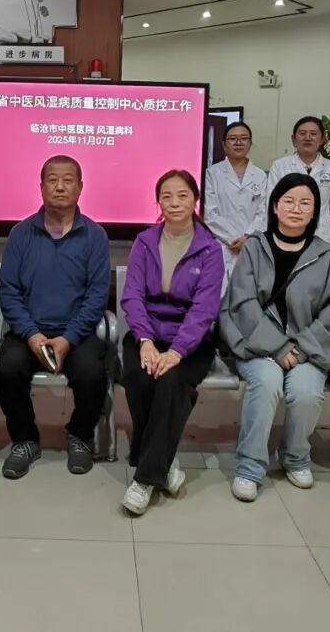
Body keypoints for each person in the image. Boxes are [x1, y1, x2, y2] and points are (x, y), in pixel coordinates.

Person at [220, 173, 330, 500]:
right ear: (275, 206)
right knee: (267, 383)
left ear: (315, 212)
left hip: (308, 348)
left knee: (306, 392)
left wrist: (301, 348)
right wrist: (278, 347)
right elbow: (242, 303)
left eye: (305, 203)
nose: (296, 208)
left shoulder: (326, 255)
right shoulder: (255, 248)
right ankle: (250, 467)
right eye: (289, 201)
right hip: (256, 345)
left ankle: (295, 456)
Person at [0, 155, 110, 479]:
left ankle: (80, 435)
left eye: (68, 180)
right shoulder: (21, 233)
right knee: (6, 371)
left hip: (76, 334)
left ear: (80, 187)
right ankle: (25, 439)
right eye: (52, 180)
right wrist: (32, 335)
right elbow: (9, 292)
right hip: (29, 333)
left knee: (93, 374)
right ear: (41, 186)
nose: (59, 186)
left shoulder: (95, 236)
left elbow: (97, 296)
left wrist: (68, 339)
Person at [119, 170, 224, 515]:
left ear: (195, 200)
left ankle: (145, 477)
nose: (175, 203)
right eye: (167, 196)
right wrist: (146, 341)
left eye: (182, 195)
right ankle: (165, 463)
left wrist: (178, 351)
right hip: (147, 334)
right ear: (158, 202)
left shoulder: (209, 249)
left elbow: (204, 309)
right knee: (137, 377)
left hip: (192, 342)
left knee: (171, 383)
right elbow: (132, 295)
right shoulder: (144, 242)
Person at [204, 121, 269, 275]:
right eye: (233, 138)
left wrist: (248, 237)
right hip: (221, 244)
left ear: (250, 143)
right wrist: (233, 238)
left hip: (252, 244)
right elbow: (209, 213)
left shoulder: (260, 175)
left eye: (244, 138)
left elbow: (264, 212)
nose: (238, 142)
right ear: (224, 144)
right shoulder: (212, 173)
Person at [267, 116, 330, 243]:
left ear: (323, 139)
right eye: (302, 133)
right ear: (293, 139)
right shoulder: (279, 166)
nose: (308, 137)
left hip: (322, 234)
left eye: (313, 134)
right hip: (286, 232)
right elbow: (272, 201)